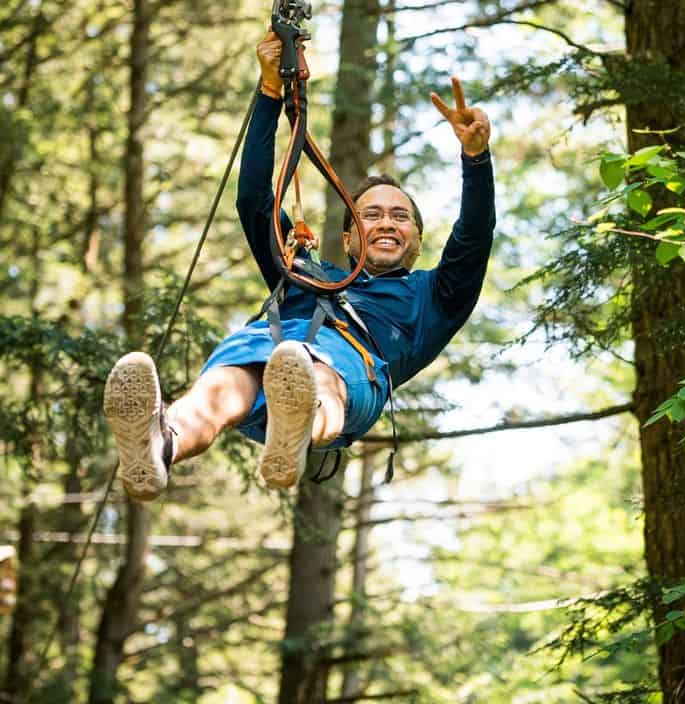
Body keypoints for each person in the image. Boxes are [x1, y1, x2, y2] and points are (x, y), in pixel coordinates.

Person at [103, 31, 495, 500]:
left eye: (400, 216)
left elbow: (473, 237)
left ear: (417, 238)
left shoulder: (435, 297)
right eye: (370, 215)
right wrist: (270, 93)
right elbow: (254, 199)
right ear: (349, 237)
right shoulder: (303, 269)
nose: (386, 223)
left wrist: (476, 158)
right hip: (270, 345)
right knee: (221, 387)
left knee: (318, 374)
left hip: (353, 369)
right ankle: (159, 446)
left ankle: (295, 434)